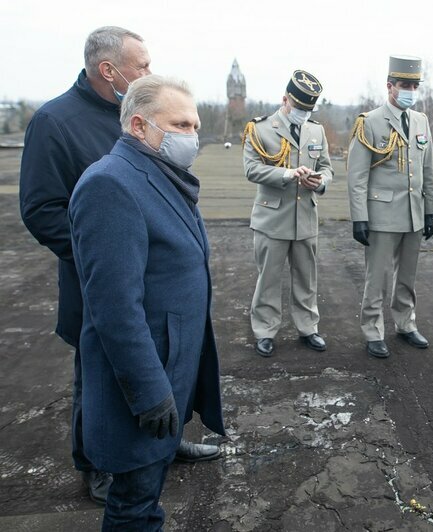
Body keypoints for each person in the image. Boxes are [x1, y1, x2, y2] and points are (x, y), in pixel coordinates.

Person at [18, 26, 220, 505]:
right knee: (99, 377)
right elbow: (41, 208)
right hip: (101, 280)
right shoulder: (56, 121)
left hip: (141, 278)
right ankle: (99, 464)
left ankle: (162, 445)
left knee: (157, 364)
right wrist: (110, 253)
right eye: (143, 65)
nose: (150, 72)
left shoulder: (144, 116)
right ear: (110, 70)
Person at [68, 75, 225, 529]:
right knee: (134, 504)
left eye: (195, 125)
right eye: (180, 124)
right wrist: (150, 394)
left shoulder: (157, 171)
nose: (191, 136)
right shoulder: (110, 186)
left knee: (148, 485)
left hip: (169, 365)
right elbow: (115, 309)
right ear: (139, 125)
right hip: (142, 382)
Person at [347, 55, 433, 359]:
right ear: (389, 86)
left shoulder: (421, 121)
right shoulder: (370, 121)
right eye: (404, 84)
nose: (410, 89)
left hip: (413, 213)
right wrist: (359, 217)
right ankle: (373, 329)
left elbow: (428, 171)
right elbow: (357, 175)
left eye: (414, 85)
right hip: (381, 215)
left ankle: (405, 323)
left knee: (407, 275)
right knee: (377, 277)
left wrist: (430, 210)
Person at [243, 70, 333, 357]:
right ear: (285, 99)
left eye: (309, 110)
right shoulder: (260, 129)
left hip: (305, 218)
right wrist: (287, 173)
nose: (304, 114)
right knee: (268, 279)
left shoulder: (316, 131)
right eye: (300, 108)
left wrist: (320, 182)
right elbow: (251, 169)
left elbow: (328, 167)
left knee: (307, 279)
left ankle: (308, 328)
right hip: (272, 219)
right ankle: (265, 331)